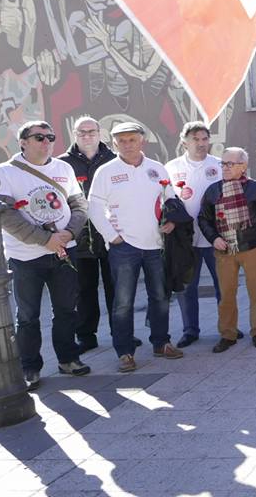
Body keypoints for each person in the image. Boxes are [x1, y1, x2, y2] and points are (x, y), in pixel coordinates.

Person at [0, 121, 90, 390]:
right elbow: (6, 216)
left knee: (66, 311)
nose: (46, 141)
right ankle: (30, 367)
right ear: (23, 142)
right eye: (39, 137)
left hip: (64, 252)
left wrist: (69, 234)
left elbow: (79, 204)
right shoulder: (4, 173)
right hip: (25, 257)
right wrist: (44, 239)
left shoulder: (63, 168)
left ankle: (68, 360)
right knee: (27, 316)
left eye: (51, 136)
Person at [88, 121, 184, 372]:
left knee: (161, 297)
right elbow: (95, 207)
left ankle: (161, 343)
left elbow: (170, 200)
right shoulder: (106, 171)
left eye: (132, 139)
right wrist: (112, 236)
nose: (128, 144)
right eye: (122, 140)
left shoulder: (157, 169)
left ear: (142, 140)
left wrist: (171, 222)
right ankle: (125, 352)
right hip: (123, 247)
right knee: (122, 302)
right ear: (114, 143)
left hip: (155, 244)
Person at [198, 148, 256, 352]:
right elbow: (203, 219)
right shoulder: (213, 190)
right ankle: (227, 334)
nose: (224, 168)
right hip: (224, 251)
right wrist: (213, 238)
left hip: (252, 248)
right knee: (226, 296)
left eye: (230, 164)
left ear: (243, 166)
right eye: (223, 164)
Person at [57, 116, 117, 353]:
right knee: (84, 289)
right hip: (79, 237)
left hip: (112, 234)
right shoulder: (62, 164)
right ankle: (86, 336)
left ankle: (120, 333)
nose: (87, 136)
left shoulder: (113, 159)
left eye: (91, 131)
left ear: (99, 133)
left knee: (116, 286)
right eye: (82, 132)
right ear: (74, 134)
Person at [165, 121, 223, 348]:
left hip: (215, 236)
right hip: (185, 238)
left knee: (223, 284)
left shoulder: (218, 165)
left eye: (204, 139)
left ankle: (228, 326)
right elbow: (164, 199)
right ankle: (190, 330)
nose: (200, 144)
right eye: (195, 140)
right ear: (184, 142)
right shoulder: (170, 167)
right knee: (187, 285)